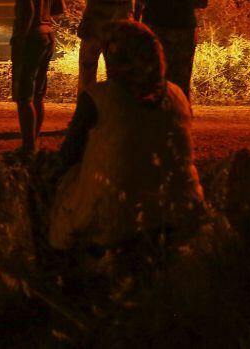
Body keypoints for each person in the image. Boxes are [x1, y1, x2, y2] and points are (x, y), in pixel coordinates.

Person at [50, 21, 204, 266]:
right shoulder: (177, 94)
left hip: (115, 224)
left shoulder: (99, 97)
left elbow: (67, 157)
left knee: (44, 176)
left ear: (114, 57)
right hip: (182, 214)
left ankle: (55, 267)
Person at [11, 0, 65, 157]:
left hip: (31, 37)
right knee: (38, 94)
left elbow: (27, 12)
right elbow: (59, 8)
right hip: (47, 36)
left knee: (23, 96)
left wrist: (18, 39)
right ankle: (34, 141)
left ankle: (28, 147)